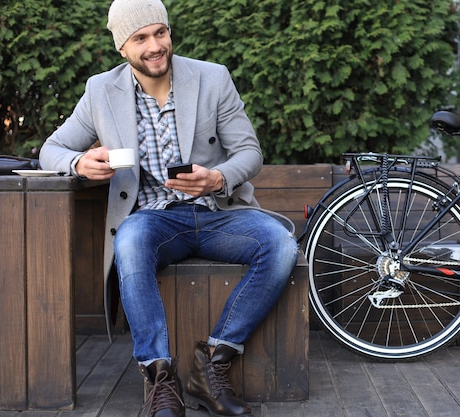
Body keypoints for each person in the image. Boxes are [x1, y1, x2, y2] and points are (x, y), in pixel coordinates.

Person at [39, 0, 299, 416]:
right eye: (140, 38)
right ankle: (161, 379)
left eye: (160, 32)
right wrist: (78, 163)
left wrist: (218, 178)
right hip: (153, 220)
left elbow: (250, 152)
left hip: (219, 212)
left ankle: (211, 364)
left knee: (282, 246)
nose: (155, 45)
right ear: (122, 48)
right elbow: (50, 150)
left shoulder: (212, 78)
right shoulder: (101, 91)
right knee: (129, 241)